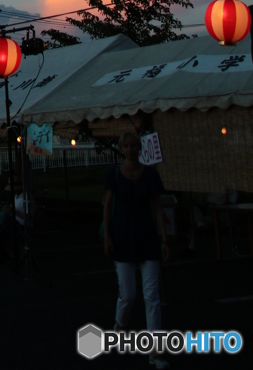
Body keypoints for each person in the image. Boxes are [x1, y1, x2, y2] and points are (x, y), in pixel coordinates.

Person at [104, 131, 169, 369]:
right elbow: (108, 205)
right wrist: (107, 237)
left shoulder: (150, 175)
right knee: (128, 295)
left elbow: (158, 207)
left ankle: (156, 351)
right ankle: (120, 324)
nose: (130, 149)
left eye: (134, 145)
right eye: (126, 145)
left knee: (152, 296)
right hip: (123, 240)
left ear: (140, 148)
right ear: (122, 149)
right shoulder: (114, 174)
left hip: (148, 240)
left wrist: (164, 240)